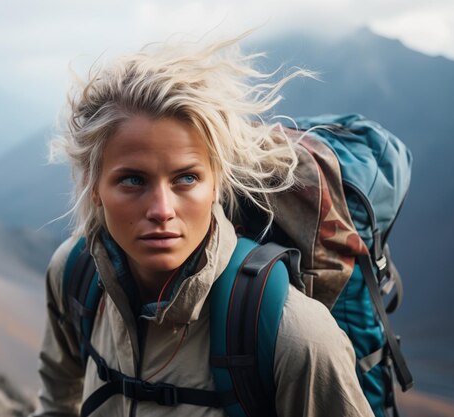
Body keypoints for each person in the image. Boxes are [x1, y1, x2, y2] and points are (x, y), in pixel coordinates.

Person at [30, 33, 375, 417]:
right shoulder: (73, 276)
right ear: (95, 189)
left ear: (216, 185)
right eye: (132, 180)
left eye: (186, 178)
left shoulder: (295, 336)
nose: (162, 209)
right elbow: (56, 402)